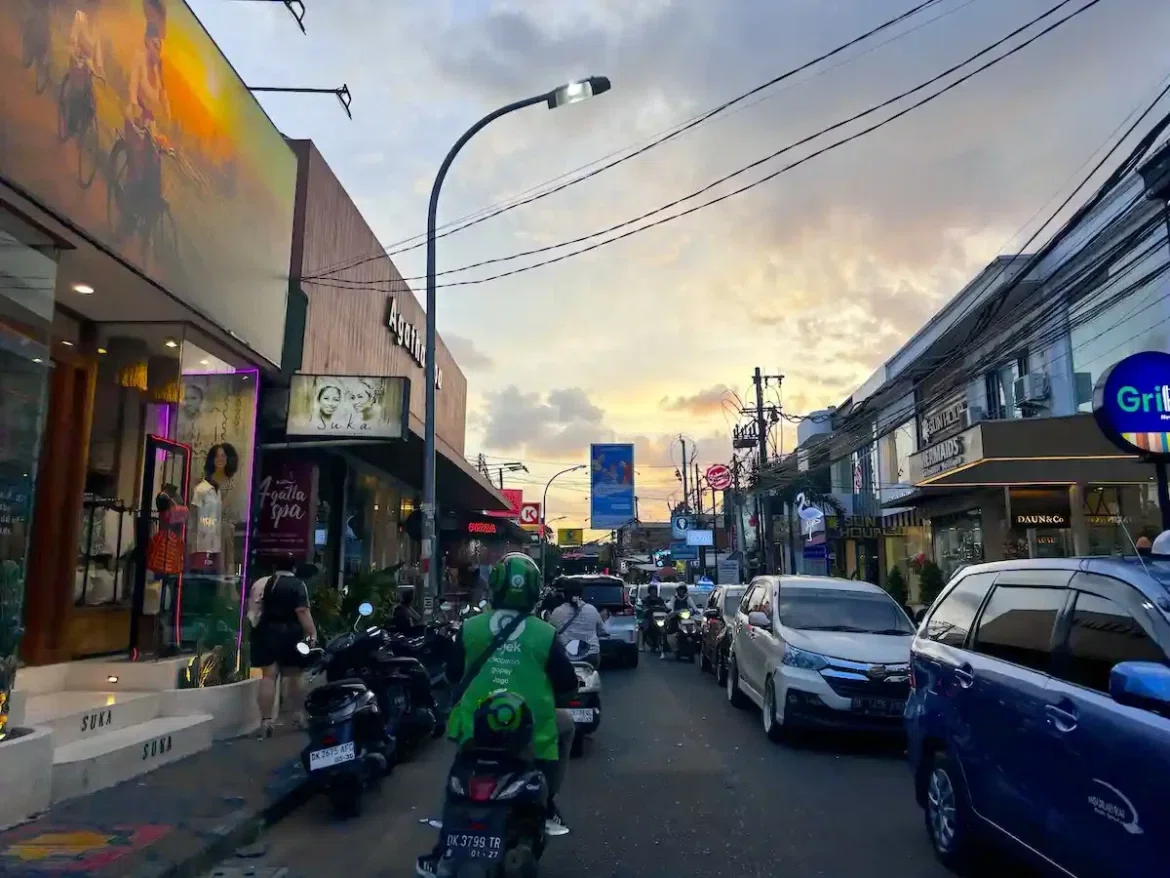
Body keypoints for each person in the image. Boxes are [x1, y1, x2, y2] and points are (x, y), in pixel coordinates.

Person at [416, 554, 577, 878]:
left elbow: (452, 674)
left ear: (497, 586)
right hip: (528, 729)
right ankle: (548, 803)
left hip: (476, 725)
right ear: (533, 591)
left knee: (459, 777)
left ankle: (441, 850)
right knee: (567, 725)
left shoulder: (471, 627)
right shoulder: (544, 633)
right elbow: (568, 686)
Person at [248, 555, 317, 738]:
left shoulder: (263, 583)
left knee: (268, 676)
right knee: (294, 675)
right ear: (294, 568)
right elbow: (302, 611)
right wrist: (312, 633)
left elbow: (253, 613)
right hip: (291, 634)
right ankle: (297, 715)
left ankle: (266, 722)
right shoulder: (298, 585)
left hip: (266, 632)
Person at [548, 579, 606, 669]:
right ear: (581, 594)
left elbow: (551, 633)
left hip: (566, 657)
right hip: (590, 656)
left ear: (564, 594)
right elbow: (602, 630)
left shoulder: (557, 612)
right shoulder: (592, 610)